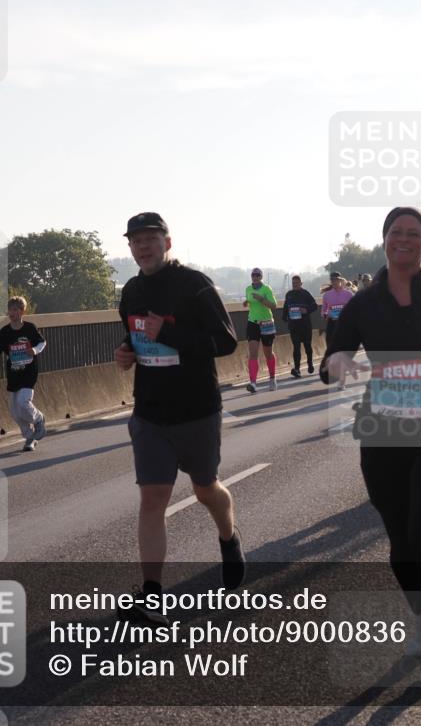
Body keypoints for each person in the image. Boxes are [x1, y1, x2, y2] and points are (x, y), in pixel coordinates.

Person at [322, 206, 421, 659]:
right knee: (399, 539)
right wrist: (336, 363)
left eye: (414, 233)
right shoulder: (364, 302)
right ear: (385, 239)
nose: (404, 240)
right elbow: (334, 354)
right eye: (396, 232)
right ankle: (420, 619)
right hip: (383, 431)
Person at [114, 212, 244, 625]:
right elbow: (135, 336)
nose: (143, 246)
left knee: (206, 489)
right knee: (152, 499)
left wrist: (167, 334)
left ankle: (228, 536)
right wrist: (126, 352)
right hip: (150, 411)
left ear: (167, 243)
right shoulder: (131, 291)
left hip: (197, 409)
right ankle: (152, 596)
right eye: (135, 241)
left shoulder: (193, 284)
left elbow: (225, 341)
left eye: (151, 239)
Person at [0, 297, 47, 452]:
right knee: (15, 412)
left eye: (16, 309)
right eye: (10, 309)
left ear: (22, 311)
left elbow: (42, 342)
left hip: (29, 372)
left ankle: (38, 419)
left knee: (23, 402)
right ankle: (29, 437)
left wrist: (34, 350)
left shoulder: (30, 328)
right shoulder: (5, 332)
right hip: (13, 374)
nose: (12, 313)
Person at [243, 268, 278, 393]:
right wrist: (246, 302)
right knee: (253, 353)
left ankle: (272, 378)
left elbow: (274, 305)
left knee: (268, 353)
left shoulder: (266, 289)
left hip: (267, 323)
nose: (255, 277)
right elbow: (249, 300)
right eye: (253, 275)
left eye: (258, 275)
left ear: (261, 276)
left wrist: (261, 299)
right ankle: (253, 383)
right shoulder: (248, 289)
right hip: (253, 322)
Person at [282, 275, 319, 377]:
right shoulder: (289, 294)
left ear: (301, 283)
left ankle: (310, 363)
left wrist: (306, 310)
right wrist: (284, 317)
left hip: (305, 325)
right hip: (294, 325)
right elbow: (286, 307)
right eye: (293, 283)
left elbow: (314, 306)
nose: (295, 285)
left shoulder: (305, 294)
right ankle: (297, 369)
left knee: (307, 346)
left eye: (297, 283)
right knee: (296, 347)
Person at [322, 271, 355, 348]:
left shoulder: (348, 294)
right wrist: (326, 315)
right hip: (332, 322)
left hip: (344, 322)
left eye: (336, 280)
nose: (334, 282)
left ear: (340, 280)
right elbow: (324, 310)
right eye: (332, 280)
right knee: (330, 343)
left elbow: (355, 308)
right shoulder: (327, 295)